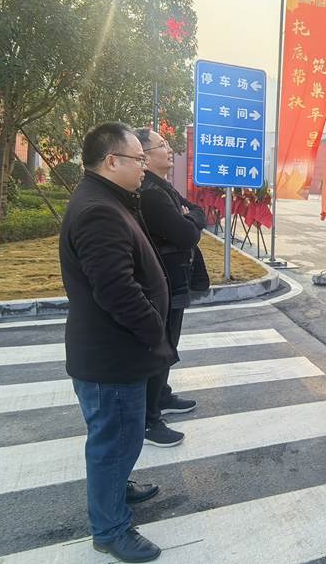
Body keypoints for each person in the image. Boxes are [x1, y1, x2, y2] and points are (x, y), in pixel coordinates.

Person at [60, 122, 177, 562]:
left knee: (118, 438)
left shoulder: (105, 199)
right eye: (138, 159)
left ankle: (116, 489)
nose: (144, 167)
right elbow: (116, 291)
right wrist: (155, 332)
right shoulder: (99, 211)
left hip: (111, 352)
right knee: (114, 442)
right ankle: (110, 530)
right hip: (112, 357)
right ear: (112, 161)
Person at [136, 127, 209, 447]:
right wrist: (190, 219)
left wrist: (189, 215)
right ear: (144, 156)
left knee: (169, 343)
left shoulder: (162, 187)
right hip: (162, 282)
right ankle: (149, 420)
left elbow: (198, 211)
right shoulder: (151, 194)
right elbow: (187, 234)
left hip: (174, 280)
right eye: (162, 145)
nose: (169, 149)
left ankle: (161, 396)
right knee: (161, 347)